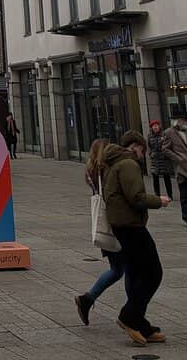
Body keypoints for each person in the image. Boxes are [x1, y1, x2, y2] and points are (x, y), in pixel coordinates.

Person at [101, 131, 171, 346]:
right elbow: (136, 197)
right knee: (153, 273)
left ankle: (140, 323)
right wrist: (158, 200)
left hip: (122, 225)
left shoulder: (114, 162)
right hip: (131, 226)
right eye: (142, 149)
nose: (143, 154)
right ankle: (129, 316)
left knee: (140, 273)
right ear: (134, 146)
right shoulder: (128, 164)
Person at [74, 138, 127, 327]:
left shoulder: (90, 172)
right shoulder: (107, 171)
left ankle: (87, 299)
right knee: (126, 268)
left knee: (117, 269)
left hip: (104, 228)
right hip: (115, 225)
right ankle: (131, 313)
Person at [147, 119, 174, 200]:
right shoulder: (150, 136)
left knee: (166, 177)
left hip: (163, 159)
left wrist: (166, 154)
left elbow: (168, 145)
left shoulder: (164, 135)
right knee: (155, 177)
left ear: (159, 126)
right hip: (155, 159)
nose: (155, 127)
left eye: (156, 125)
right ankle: (157, 195)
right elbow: (149, 147)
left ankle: (170, 195)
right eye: (153, 126)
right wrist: (151, 154)